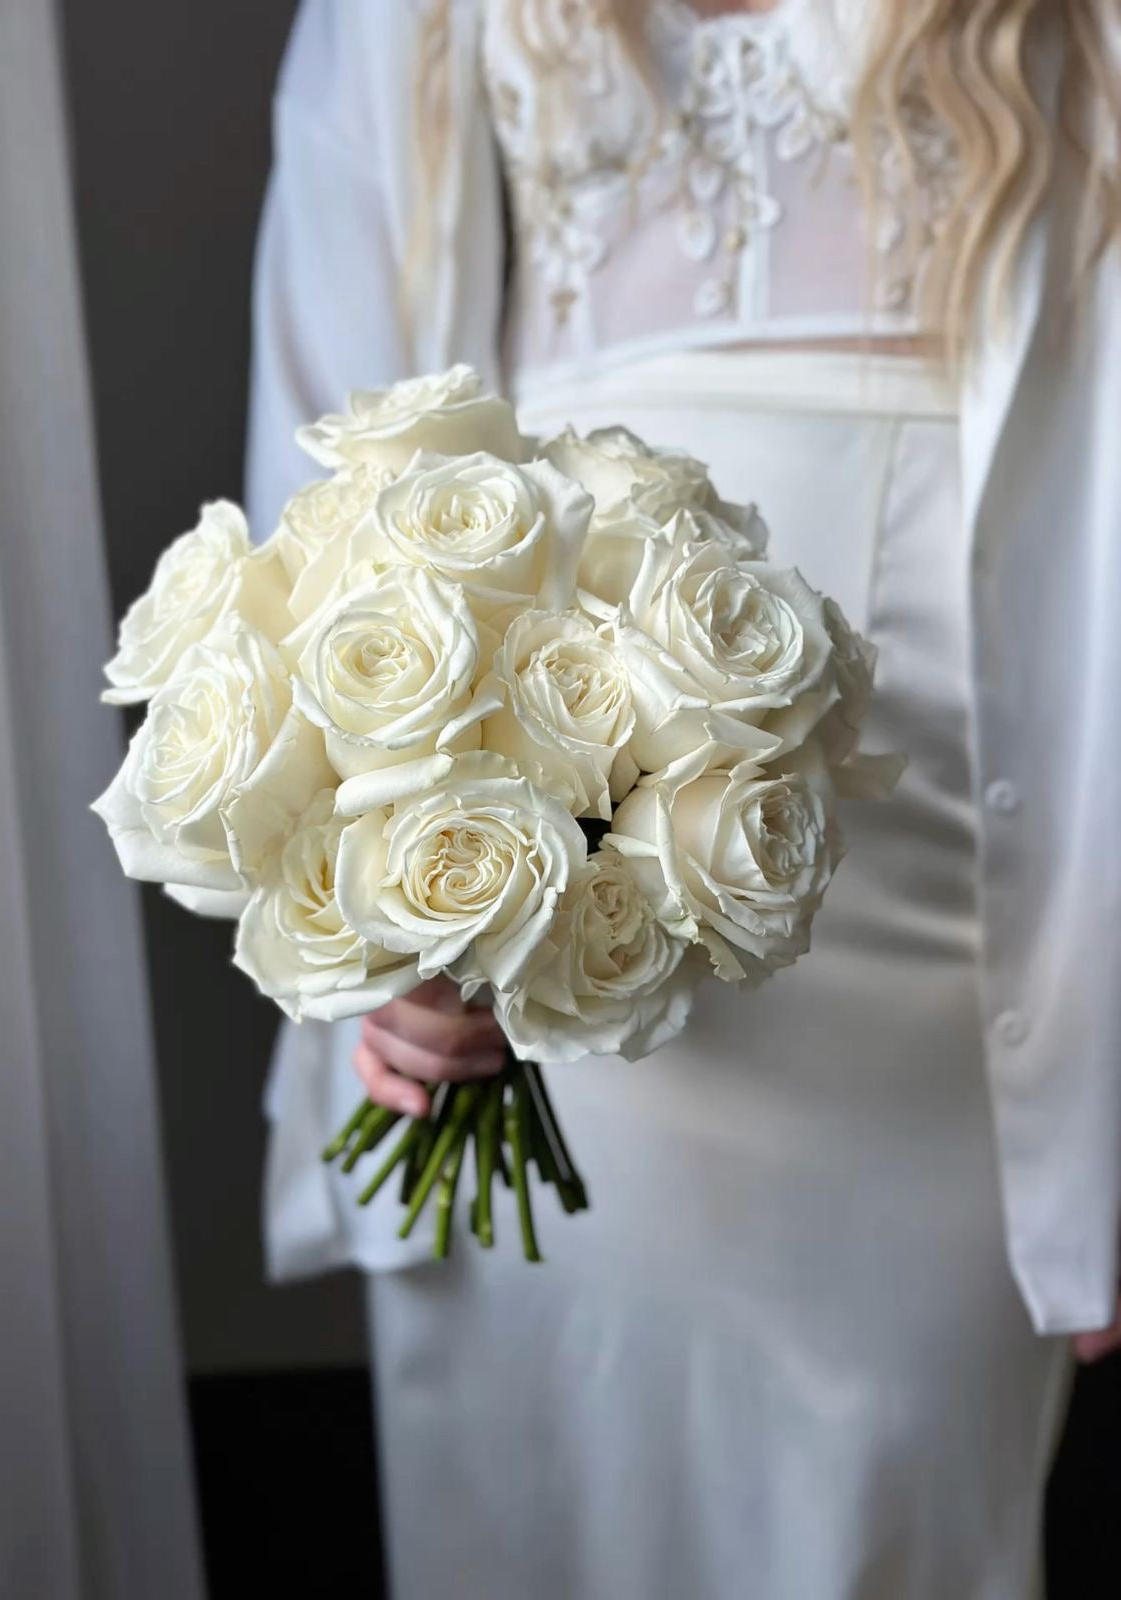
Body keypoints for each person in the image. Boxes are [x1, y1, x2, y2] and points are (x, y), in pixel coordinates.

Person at [246, 3, 1121, 1596]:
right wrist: (379, 907)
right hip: (544, 905)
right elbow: (325, 451)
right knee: (547, 1514)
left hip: (962, 939)